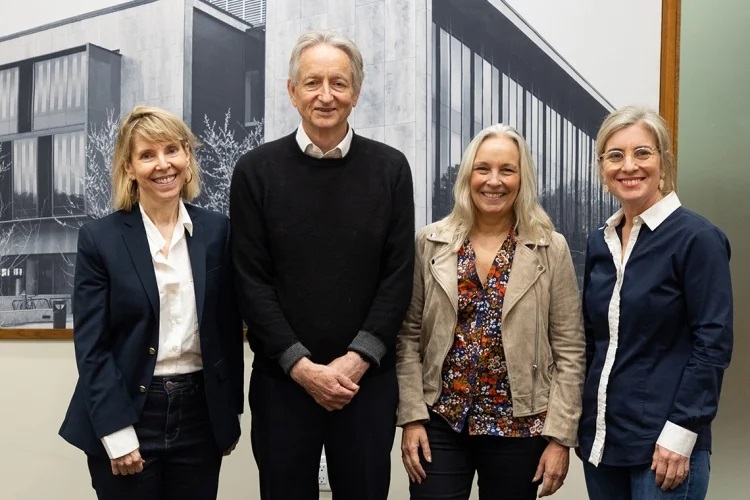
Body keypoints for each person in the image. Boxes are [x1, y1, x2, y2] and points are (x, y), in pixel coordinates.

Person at [230, 30, 415, 499]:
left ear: (356, 92)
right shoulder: (255, 171)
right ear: (292, 92)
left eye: (339, 82)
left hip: (366, 386)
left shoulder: (391, 169)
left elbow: (397, 276)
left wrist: (355, 363)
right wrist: (301, 367)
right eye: (312, 82)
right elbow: (250, 280)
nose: (325, 95)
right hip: (283, 383)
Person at [59, 106, 244, 499]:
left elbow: (227, 329)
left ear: (187, 157)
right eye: (147, 155)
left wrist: (227, 415)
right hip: (130, 412)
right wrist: (116, 431)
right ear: (129, 167)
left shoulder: (217, 231)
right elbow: (92, 346)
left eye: (172, 150)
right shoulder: (100, 239)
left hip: (200, 415)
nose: (163, 165)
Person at [396, 123, 586, 500]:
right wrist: (412, 416)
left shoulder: (550, 248)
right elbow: (408, 337)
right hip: (441, 421)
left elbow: (569, 349)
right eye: (483, 168)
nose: (493, 181)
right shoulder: (430, 242)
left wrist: (560, 438)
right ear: (468, 174)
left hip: (520, 427)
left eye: (507, 170)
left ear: (522, 178)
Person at [578, 105, 733, 500]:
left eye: (642, 153)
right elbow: (593, 342)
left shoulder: (697, 239)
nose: (629, 165)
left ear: (663, 162)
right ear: (602, 169)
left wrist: (681, 434)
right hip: (603, 444)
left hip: (665, 449)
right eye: (615, 155)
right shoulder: (601, 242)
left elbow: (712, 345)